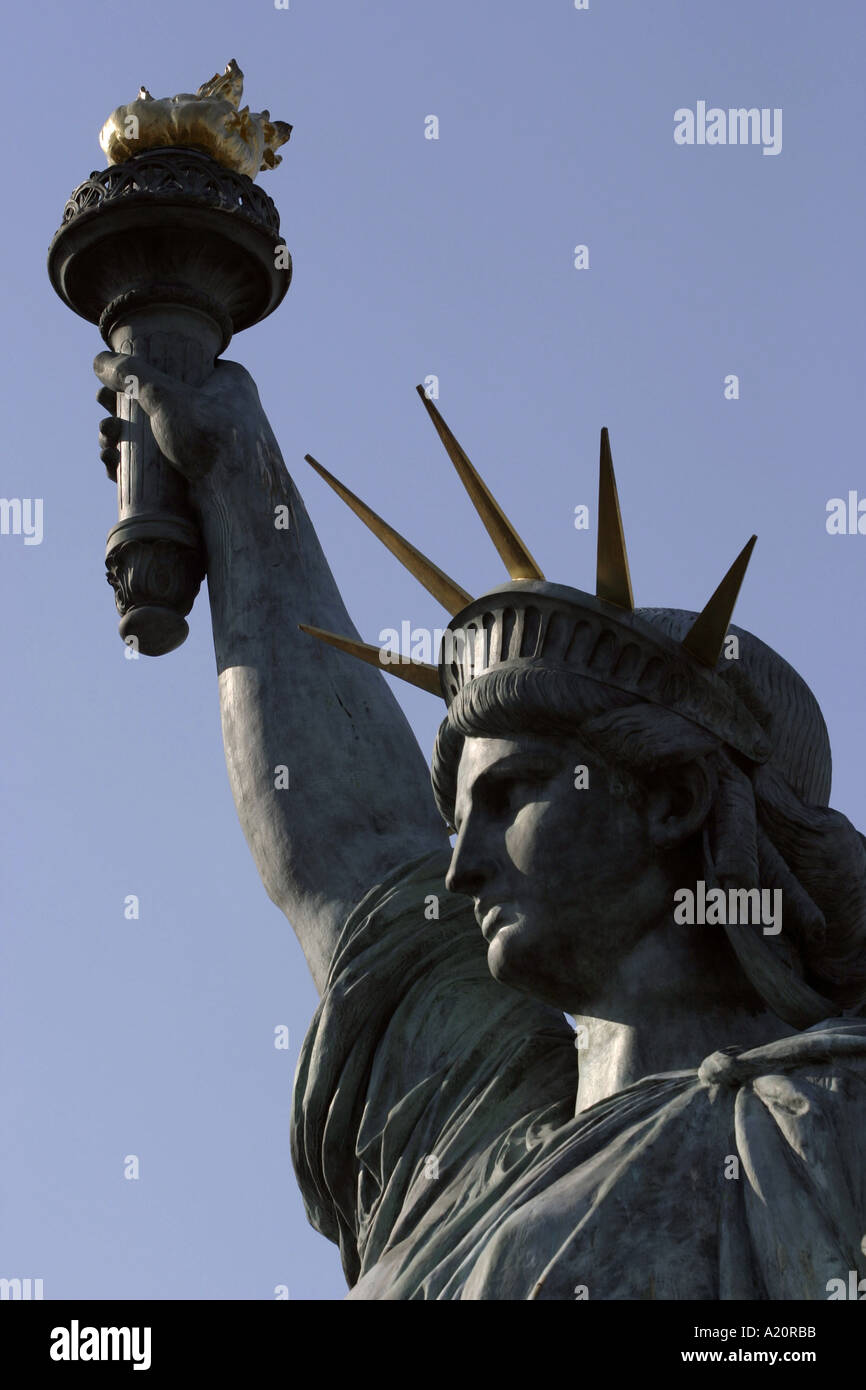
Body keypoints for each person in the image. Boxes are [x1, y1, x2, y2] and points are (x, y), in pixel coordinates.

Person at [93, 350, 866, 1300]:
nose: (461, 868)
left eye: (510, 798)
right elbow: (355, 849)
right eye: (459, 817)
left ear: (673, 801)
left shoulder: (820, 1138)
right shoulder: (467, 1148)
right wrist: (234, 475)